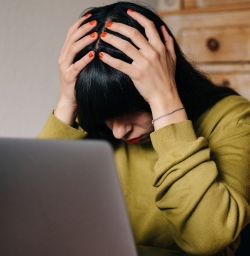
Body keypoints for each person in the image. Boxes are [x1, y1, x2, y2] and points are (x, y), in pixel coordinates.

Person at [38, 1, 250, 255]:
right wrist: (66, 102)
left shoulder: (233, 118)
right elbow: (28, 216)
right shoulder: (90, 126)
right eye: (107, 117)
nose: (118, 132)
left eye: (130, 114)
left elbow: (208, 240)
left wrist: (164, 100)